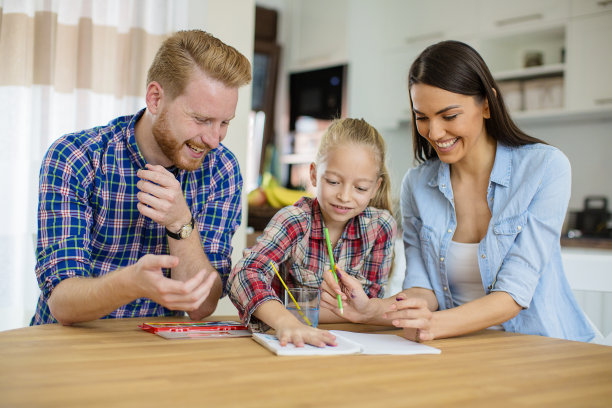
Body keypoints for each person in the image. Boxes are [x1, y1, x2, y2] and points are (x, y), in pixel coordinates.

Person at [322, 40, 595, 343]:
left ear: (488, 104)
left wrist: (433, 324)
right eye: (422, 117)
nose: (434, 133)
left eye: (449, 116)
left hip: (545, 348)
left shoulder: (545, 168)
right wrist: (371, 310)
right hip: (462, 351)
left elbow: (514, 293)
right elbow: (423, 291)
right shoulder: (417, 185)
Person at [31, 30, 252, 325]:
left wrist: (181, 223)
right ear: (156, 98)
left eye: (224, 122)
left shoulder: (222, 170)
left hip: (158, 353)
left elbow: (202, 306)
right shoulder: (75, 157)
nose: (214, 139)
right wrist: (130, 284)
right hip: (69, 348)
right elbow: (62, 303)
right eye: (201, 119)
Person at [228, 118, 397, 347]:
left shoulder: (381, 227)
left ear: (375, 187)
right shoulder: (295, 220)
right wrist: (288, 322)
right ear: (315, 174)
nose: (345, 196)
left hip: (350, 344)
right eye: (334, 181)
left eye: (360, 188)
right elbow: (244, 274)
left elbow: (370, 305)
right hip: (291, 343)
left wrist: (364, 309)